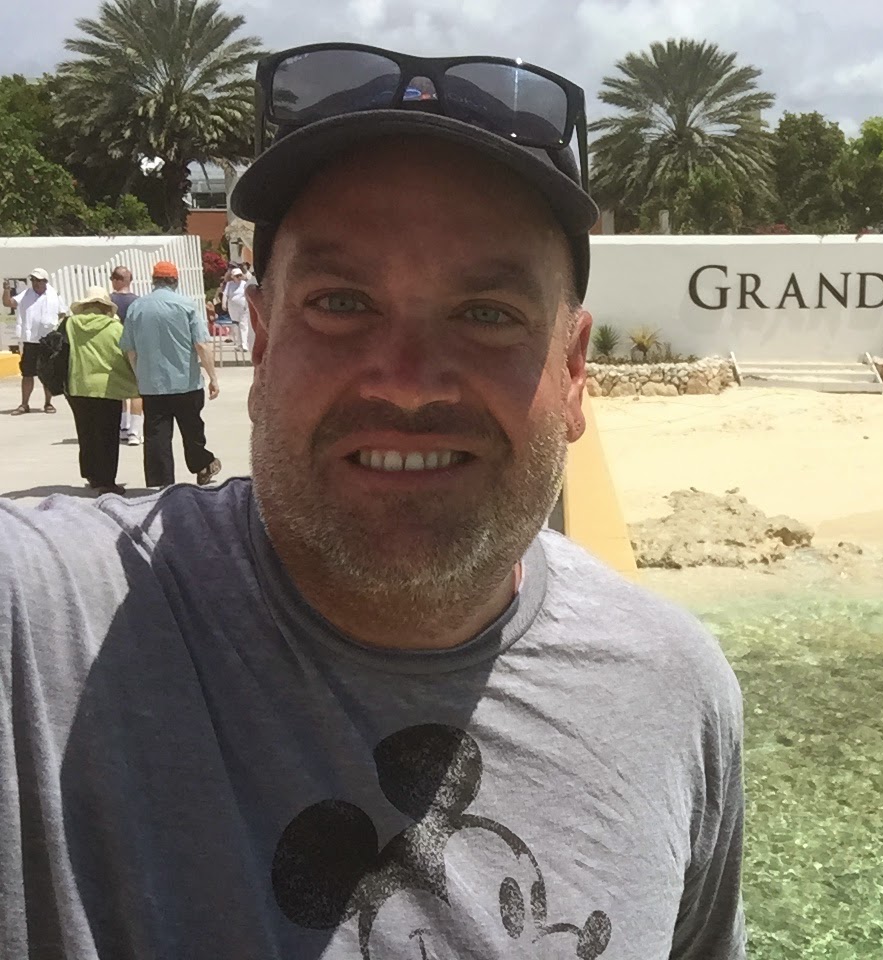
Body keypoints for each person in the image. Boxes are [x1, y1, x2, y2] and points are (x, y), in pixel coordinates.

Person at [0, 44, 744, 960]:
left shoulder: (676, 694)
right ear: (262, 344)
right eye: (343, 301)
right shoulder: (40, 627)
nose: (405, 383)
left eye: (486, 314)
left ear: (575, 368)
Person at [119, 260, 221, 488]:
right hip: (186, 383)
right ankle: (202, 465)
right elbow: (202, 346)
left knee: (157, 437)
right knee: (192, 431)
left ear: (154, 281)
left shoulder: (137, 307)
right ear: (175, 281)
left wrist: (139, 376)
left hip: (153, 386)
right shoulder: (186, 305)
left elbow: (130, 349)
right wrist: (213, 377)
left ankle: (160, 484)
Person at [64, 285, 138, 495]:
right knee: (107, 435)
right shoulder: (115, 328)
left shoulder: (70, 324)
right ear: (105, 306)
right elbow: (126, 354)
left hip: (77, 386)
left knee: (85, 431)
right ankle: (107, 481)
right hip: (108, 387)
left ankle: (91, 473)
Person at [3, 267, 67, 415]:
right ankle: (24, 404)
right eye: (33, 280)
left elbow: (62, 312)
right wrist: (6, 290)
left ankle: (48, 403)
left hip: (47, 340)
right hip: (30, 340)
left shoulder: (53, 295)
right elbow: (8, 303)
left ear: (45, 281)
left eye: (38, 280)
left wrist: (56, 329)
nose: (35, 283)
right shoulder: (26, 294)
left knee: (47, 373)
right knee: (27, 373)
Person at [109, 265, 144, 445]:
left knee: (120, 389)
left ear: (117, 280)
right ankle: (135, 431)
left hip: (114, 348)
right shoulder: (138, 302)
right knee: (137, 389)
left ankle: (123, 426)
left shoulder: (108, 302)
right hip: (135, 347)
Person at [220, 264, 253, 354]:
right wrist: (224, 304)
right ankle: (239, 344)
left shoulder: (244, 284)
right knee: (235, 325)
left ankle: (244, 344)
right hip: (232, 307)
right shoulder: (229, 284)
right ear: (233, 277)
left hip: (243, 307)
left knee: (243, 324)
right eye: (236, 276)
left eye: (240, 275)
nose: (238, 277)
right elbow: (225, 294)